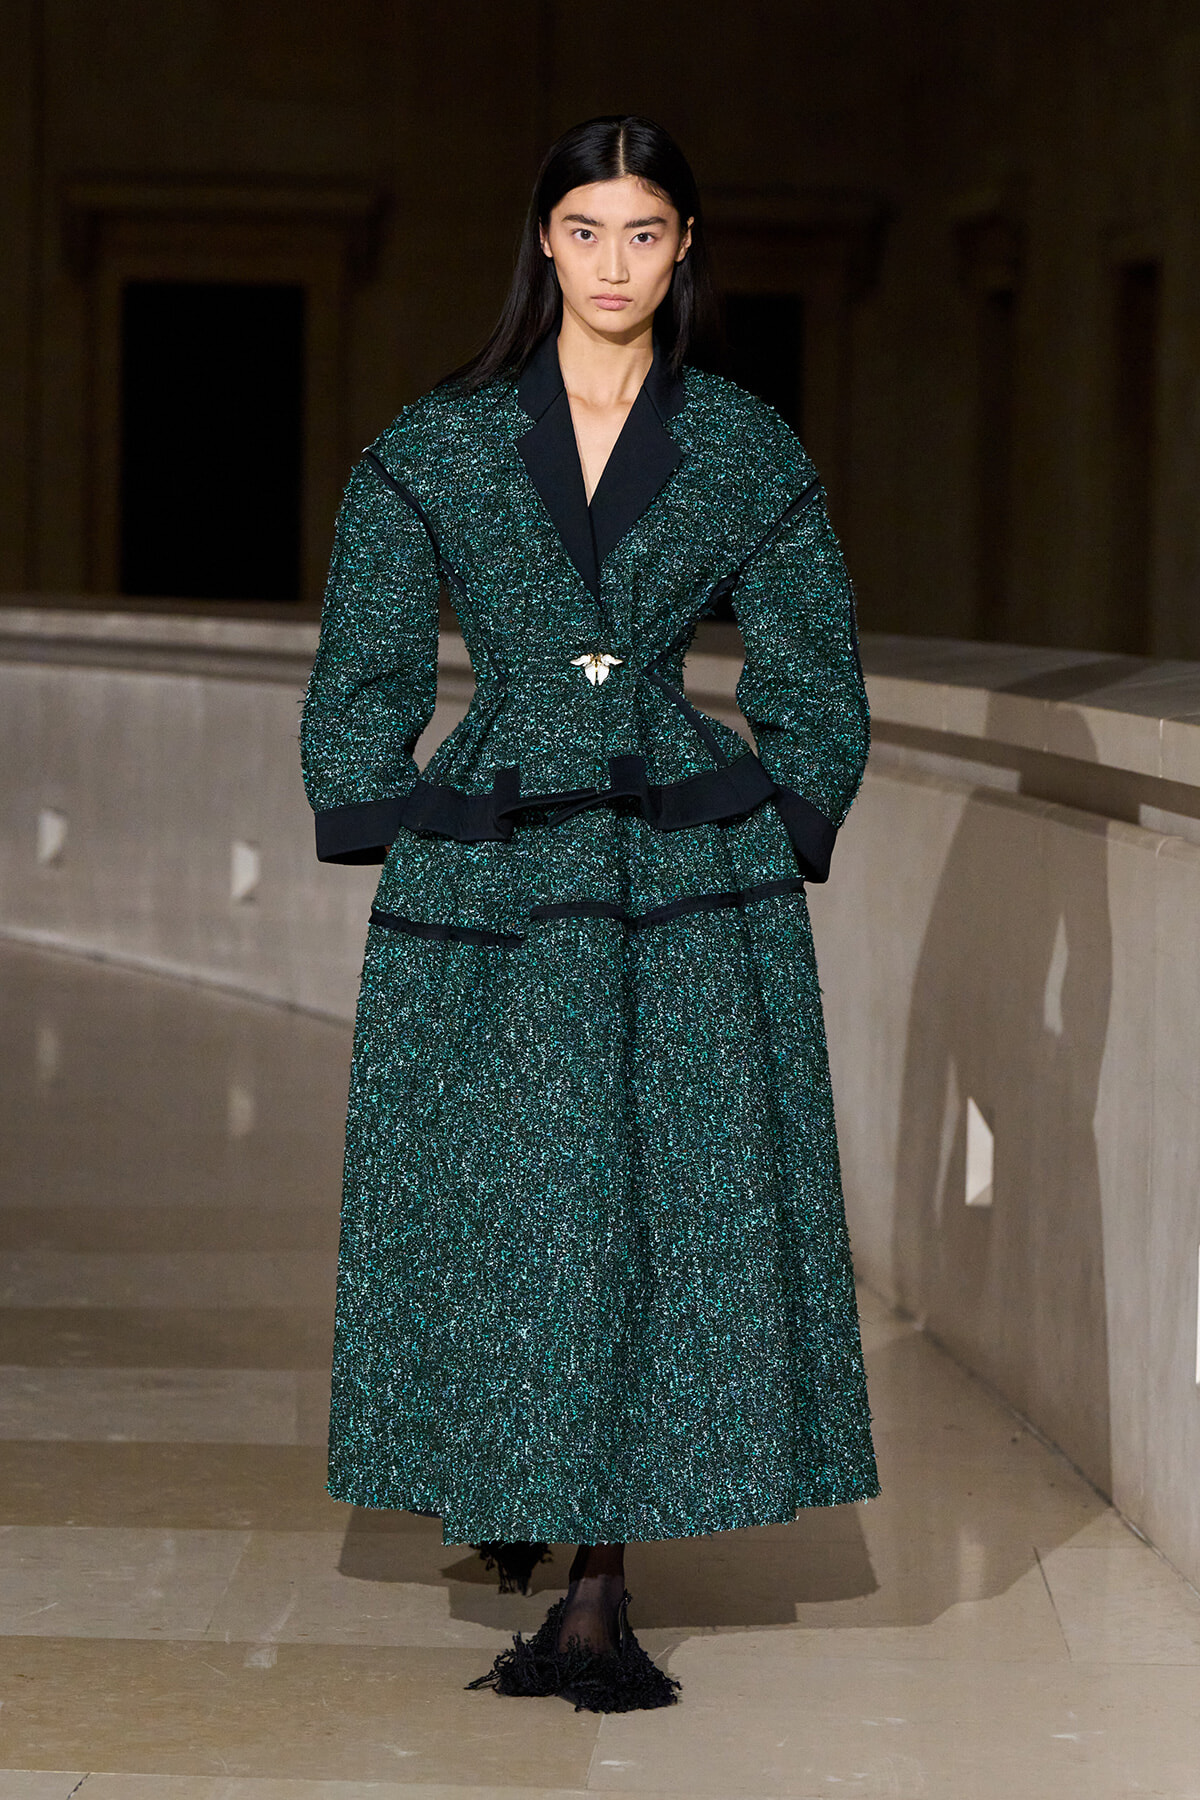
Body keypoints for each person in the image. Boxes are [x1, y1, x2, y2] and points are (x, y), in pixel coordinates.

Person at [300, 113, 878, 1714]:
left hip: (687, 865)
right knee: (518, 1201)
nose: (614, 265)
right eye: (584, 231)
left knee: (661, 1194)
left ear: (686, 244)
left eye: (644, 233)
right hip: (495, 857)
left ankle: (600, 1584)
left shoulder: (749, 447)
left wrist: (785, 801)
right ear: (541, 243)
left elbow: (816, 663)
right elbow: (360, 657)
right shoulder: (441, 444)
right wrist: (382, 802)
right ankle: (532, 1504)